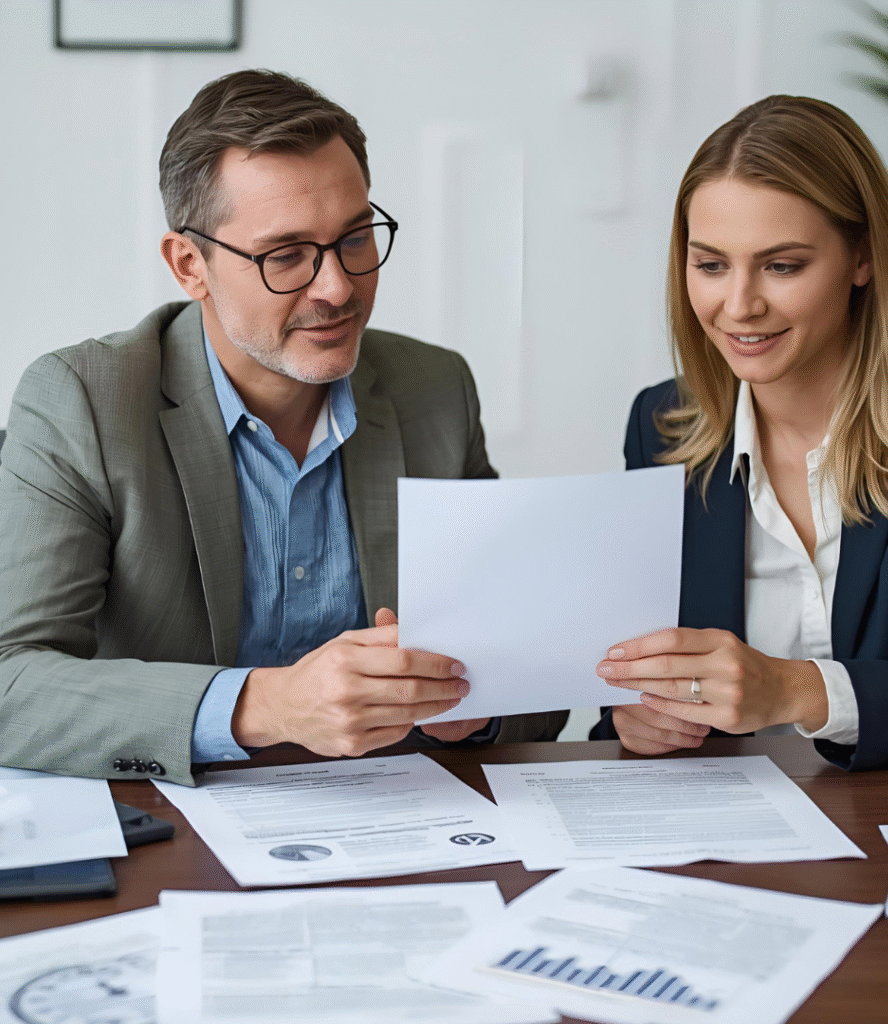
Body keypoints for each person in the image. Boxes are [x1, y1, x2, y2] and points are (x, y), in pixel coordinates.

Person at [0, 70, 566, 786]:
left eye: (355, 238)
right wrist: (265, 704)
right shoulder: (81, 399)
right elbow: (10, 685)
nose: (337, 288)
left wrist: (474, 710)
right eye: (286, 256)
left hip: (401, 824)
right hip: (174, 829)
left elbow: (536, 687)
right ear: (189, 265)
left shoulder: (436, 391)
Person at [591, 95, 888, 770]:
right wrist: (640, 721)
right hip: (737, 836)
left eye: (782, 265)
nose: (739, 306)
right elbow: (635, 697)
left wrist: (796, 690)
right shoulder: (661, 427)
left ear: (863, 258)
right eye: (710, 265)